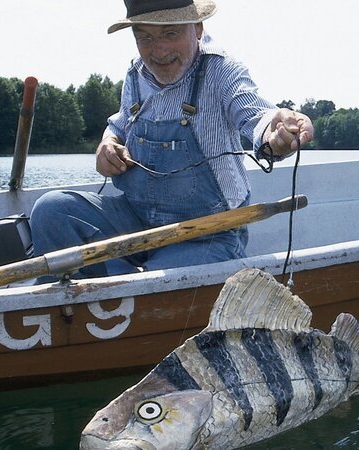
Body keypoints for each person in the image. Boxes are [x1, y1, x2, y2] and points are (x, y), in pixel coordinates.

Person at [30, 0, 314, 281]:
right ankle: (96, 296)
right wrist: (108, 143)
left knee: (152, 283)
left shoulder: (223, 71)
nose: (159, 50)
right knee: (52, 209)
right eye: (145, 37)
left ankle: (116, 285)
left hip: (207, 233)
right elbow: (118, 125)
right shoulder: (136, 73)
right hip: (137, 220)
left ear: (198, 28)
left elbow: (257, 116)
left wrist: (275, 136)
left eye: (170, 33)